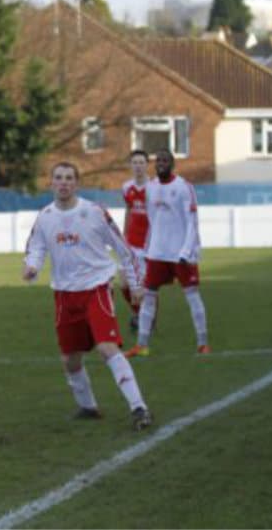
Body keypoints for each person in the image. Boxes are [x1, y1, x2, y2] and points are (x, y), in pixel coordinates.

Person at [23, 162, 153, 431]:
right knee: (70, 359)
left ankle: (139, 407)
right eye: (58, 178)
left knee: (107, 347)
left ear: (77, 184)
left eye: (69, 178)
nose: (63, 183)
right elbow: (36, 246)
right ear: (51, 183)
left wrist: (136, 283)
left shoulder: (94, 212)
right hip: (64, 295)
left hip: (96, 288)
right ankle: (88, 406)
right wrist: (32, 266)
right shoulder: (45, 216)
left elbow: (123, 248)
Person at [126, 149, 210, 357]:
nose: (161, 164)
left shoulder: (184, 187)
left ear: (173, 164)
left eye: (165, 160)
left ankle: (202, 343)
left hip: (181, 254)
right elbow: (152, 220)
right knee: (148, 297)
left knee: (192, 296)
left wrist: (186, 250)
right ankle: (142, 344)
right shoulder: (151, 188)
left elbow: (192, 222)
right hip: (157, 253)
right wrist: (149, 247)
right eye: (158, 161)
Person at [119, 150, 154, 332]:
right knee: (124, 284)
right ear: (131, 166)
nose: (138, 166)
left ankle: (148, 318)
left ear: (147, 165)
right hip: (130, 243)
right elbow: (128, 210)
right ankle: (142, 314)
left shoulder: (154, 187)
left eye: (141, 162)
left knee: (146, 287)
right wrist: (123, 236)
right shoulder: (126, 187)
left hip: (148, 245)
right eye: (135, 162)